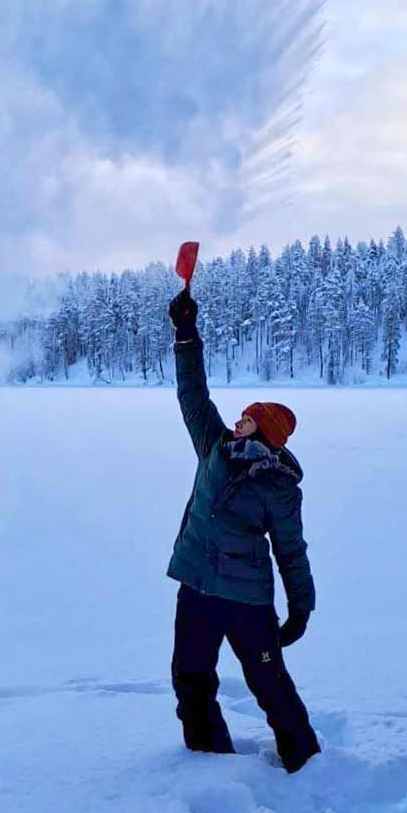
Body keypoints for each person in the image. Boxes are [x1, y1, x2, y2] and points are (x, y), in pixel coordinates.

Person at [166, 287, 320, 774]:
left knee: (269, 683)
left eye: (249, 420)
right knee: (190, 677)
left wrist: (300, 607)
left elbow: (291, 552)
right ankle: (208, 761)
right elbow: (194, 395)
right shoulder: (214, 447)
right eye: (242, 415)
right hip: (197, 588)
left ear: (267, 435)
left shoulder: (278, 486)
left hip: (248, 599)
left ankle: (305, 760)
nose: (238, 421)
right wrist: (186, 335)